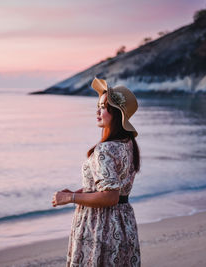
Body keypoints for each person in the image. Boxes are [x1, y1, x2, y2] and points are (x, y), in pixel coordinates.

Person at [52, 77, 141, 266]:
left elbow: (110, 196)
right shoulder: (128, 144)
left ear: (116, 113)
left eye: (103, 106)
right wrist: (78, 192)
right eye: (98, 105)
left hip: (101, 225)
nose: (97, 111)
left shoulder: (105, 149)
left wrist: (70, 199)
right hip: (123, 223)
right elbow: (113, 186)